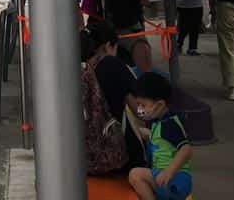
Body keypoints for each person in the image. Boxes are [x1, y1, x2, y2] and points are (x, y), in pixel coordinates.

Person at [86, 18, 147, 170]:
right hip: (117, 155)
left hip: (85, 155)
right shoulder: (113, 65)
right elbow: (139, 110)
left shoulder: (82, 67)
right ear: (108, 46)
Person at [128, 72, 194, 200]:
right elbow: (162, 141)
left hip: (175, 179)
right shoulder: (162, 121)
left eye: (143, 105)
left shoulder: (168, 125)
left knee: (135, 175)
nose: (140, 109)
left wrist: (169, 171)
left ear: (159, 105)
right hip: (172, 179)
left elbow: (186, 149)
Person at [80, 27, 128, 174]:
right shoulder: (108, 66)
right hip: (103, 154)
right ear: (107, 46)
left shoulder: (76, 72)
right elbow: (135, 107)